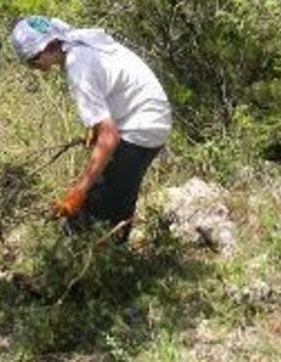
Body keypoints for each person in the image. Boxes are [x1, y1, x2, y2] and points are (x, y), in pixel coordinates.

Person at [10, 16, 171, 240]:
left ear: (43, 49)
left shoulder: (78, 66)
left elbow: (109, 138)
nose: (34, 68)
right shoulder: (81, 44)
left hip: (140, 128)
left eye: (32, 61)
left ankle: (88, 261)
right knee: (120, 196)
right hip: (152, 120)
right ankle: (117, 257)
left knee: (91, 209)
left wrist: (77, 192)